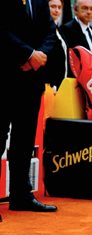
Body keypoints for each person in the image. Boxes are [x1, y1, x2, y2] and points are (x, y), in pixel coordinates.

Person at [1, 0, 59, 221]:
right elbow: (3, 30)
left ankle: (20, 195)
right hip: (5, 75)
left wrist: (39, 55)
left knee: (24, 139)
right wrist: (27, 54)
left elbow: (50, 31)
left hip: (32, 79)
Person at [47, 0, 68, 92]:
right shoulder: (43, 30)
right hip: (49, 86)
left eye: (59, 7)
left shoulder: (60, 30)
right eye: (53, 6)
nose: (57, 10)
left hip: (62, 84)